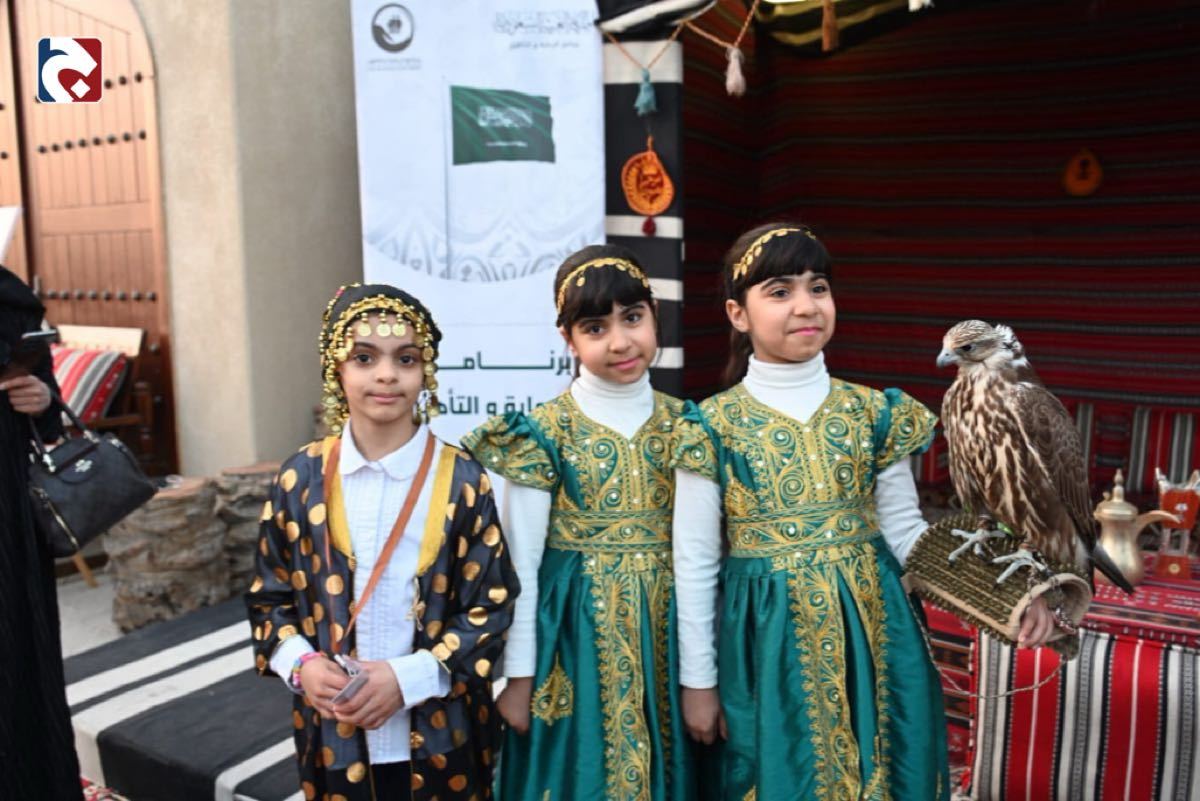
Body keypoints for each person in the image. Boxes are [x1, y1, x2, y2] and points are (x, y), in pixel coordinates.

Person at [670, 224, 1059, 799]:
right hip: (764, 645)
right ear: (737, 314)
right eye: (779, 292)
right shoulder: (707, 428)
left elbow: (906, 533)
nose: (806, 305)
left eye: (818, 287)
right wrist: (699, 682)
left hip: (878, 635)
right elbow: (696, 563)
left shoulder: (876, 413)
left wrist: (1015, 595)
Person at [245, 283, 519, 800]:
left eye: (406, 359)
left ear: (426, 371)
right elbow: (268, 601)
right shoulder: (299, 478)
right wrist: (302, 665)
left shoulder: (462, 479)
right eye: (364, 358)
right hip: (333, 740)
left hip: (444, 739)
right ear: (337, 370)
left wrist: (408, 678)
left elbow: (491, 608)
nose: (387, 374)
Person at [463, 245, 698, 801]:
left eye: (632, 318)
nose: (620, 342)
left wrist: (703, 674)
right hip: (571, 641)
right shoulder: (542, 433)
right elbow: (520, 564)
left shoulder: (687, 426)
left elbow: (700, 555)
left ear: (655, 317)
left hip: (666, 637)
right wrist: (519, 676)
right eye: (595, 328)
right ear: (568, 340)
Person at [0, 266, 84, 800]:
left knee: (20, 667)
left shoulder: (8, 297)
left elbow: (47, 415)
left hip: (8, 518)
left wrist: (41, 399)